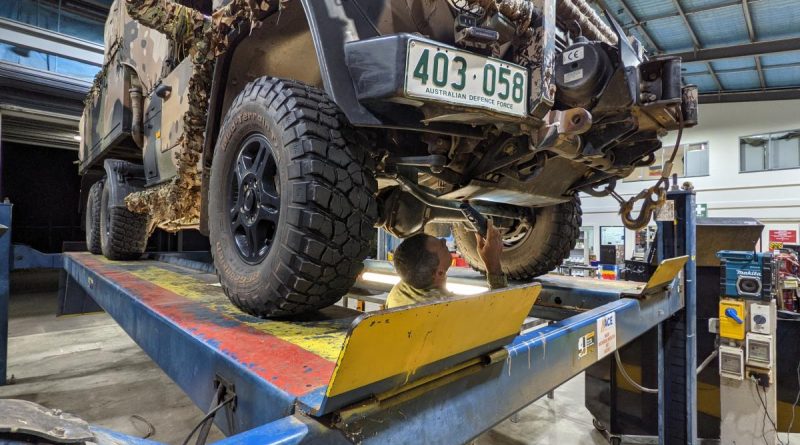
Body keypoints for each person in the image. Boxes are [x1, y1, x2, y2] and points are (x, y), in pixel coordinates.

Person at [386, 220, 507, 308]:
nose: (444, 240)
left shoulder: (397, 293)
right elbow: (501, 312)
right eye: (442, 246)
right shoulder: (445, 307)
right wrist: (493, 263)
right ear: (439, 273)